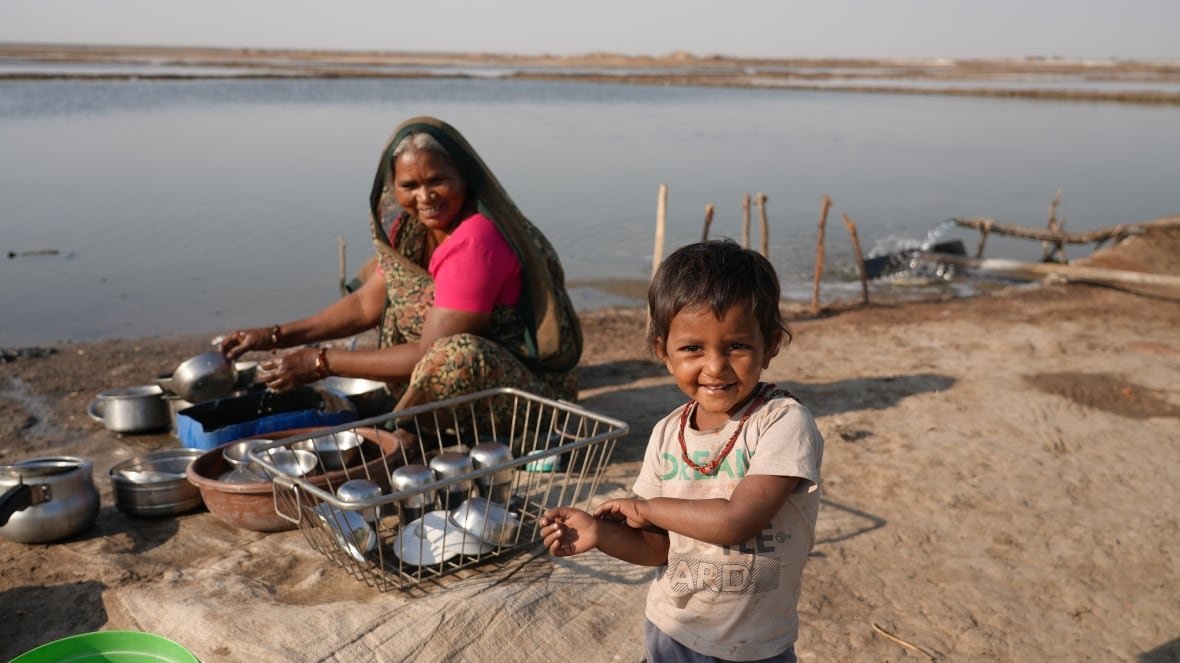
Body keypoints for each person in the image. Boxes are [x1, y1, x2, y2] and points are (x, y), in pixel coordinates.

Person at [540, 239, 824, 663]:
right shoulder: (666, 432)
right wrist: (600, 534)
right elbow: (659, 549)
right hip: (670, 633)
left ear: (771, 343)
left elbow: (737, 522)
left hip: (754, 647)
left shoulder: (781, 422)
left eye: (736, 346)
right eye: (693, 348)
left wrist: (647, 508)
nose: (715, 367)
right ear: (663, 351)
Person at [219, 116, 582, 422]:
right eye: (410, 185)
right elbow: (366, 304)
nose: (425, 197)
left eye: (437, 180)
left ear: (464, 179)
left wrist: (320, 362)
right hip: (457, 376)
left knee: (455, 356)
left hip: (529, 393)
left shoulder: (476, 240)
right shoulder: (414, 230)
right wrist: (271, 336)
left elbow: (433, 354)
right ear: (393, 188)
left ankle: (472, 431)